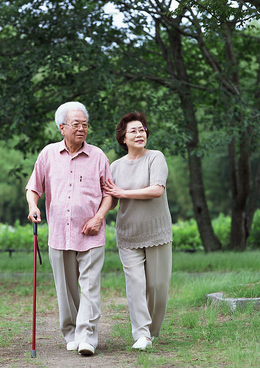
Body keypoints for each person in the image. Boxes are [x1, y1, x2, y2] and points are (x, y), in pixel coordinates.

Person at [26, 101, 112, 356]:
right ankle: (71, 331)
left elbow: (109, 193)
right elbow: (34, 187)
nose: (82, 129)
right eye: (76, 124)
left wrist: (98, 217)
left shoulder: (98, 156)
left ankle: (87, 336)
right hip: (59, 234)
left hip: (92, 234)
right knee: (65, 289)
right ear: (61, 127)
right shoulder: (48, 154)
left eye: (85, 125)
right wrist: (33, 206)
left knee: (90, 285)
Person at [103, 111, 172, 350]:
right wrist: (97, 215)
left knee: (157, 288)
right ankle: (142, 334)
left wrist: (124, 193)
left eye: (142, 129)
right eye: (133, 130)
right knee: (135, 284)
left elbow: (156, 190)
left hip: (157, 233)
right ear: (123, 138)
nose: (139, 134)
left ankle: (152, 331)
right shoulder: (114, 167)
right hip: (128, 234)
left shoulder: (156, 158)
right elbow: (110, 200)